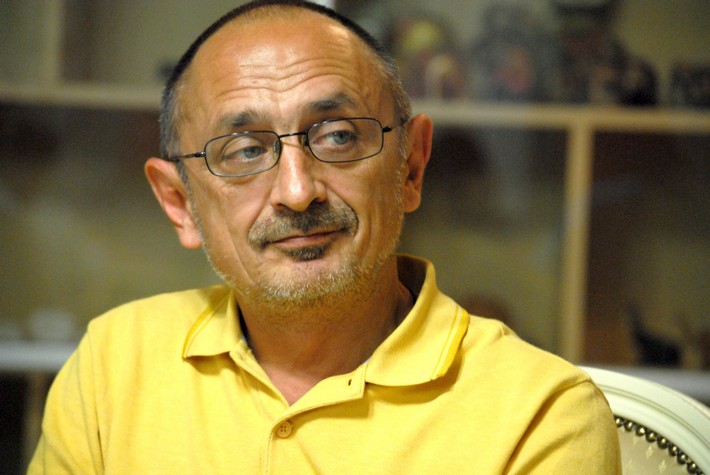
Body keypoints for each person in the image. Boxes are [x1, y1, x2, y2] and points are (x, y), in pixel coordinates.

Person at [29, 1, 621, 473]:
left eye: (337, 136)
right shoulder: (113, 365)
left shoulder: (541, 413)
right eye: (245, 150)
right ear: (180, 203)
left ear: (411, 168)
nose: (296, 191)